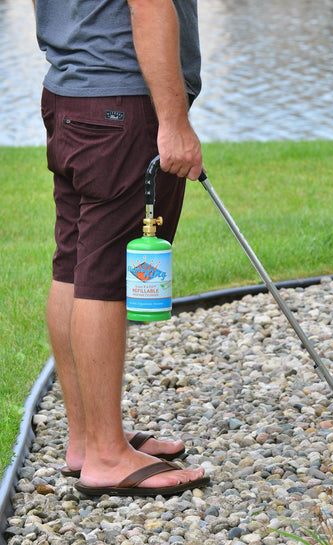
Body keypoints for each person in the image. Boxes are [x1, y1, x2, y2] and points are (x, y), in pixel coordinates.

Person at [33, 0, 209, 496]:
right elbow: (148, 6)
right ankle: (108, 456)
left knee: (73, 265)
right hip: (122, 104)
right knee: (105, 276)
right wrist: (174, 122)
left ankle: (87, 440)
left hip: (69, 95)